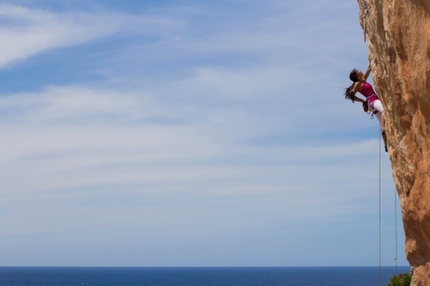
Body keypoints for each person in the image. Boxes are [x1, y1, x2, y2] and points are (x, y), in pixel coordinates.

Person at [344, 65, 388, 152]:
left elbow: (369, 68)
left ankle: (386, 144)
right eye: (358, 71)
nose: (360, 70)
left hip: (372, 104)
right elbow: (352, 95)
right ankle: (383, 130)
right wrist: (362, 101)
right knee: (384, 111)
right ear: (357, 76)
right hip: (372, 100)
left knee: (383, 121)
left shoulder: (363, 80)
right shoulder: (358, 84)